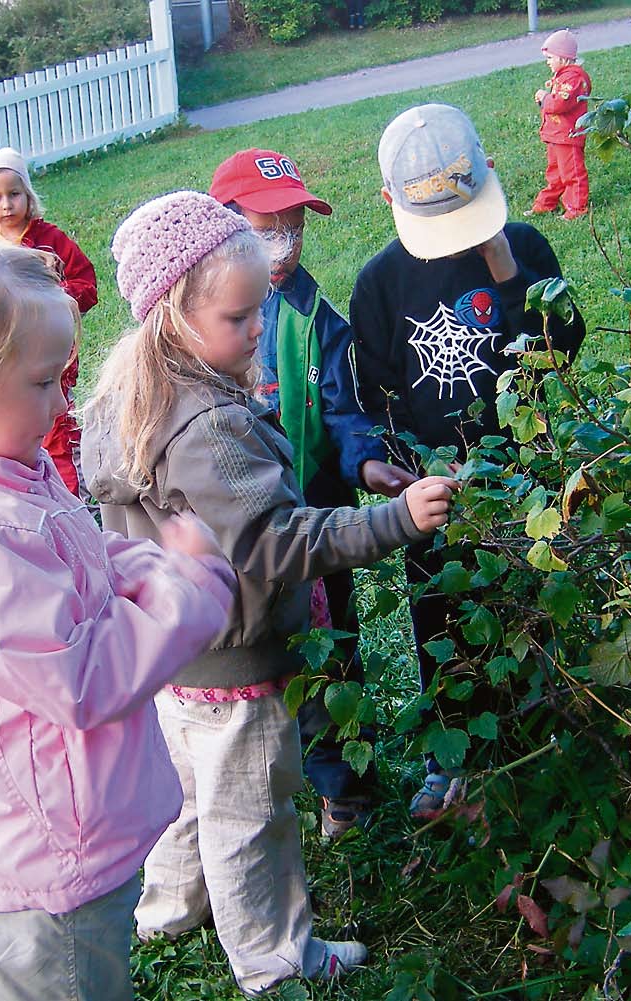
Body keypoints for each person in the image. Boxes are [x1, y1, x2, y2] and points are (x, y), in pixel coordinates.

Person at [81, 190, 458, 995]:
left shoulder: (128, 398)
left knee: (187, 792)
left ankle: (168, 907)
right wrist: (395, 519)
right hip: (236, 664)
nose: (259, 329)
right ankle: (273, 954)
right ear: (173, 314)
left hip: (174, 654)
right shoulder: (208, 427)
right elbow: (280, 541)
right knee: (252, 812)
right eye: (240, 317)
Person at [0, 232, 235, 1001]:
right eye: (44, 382)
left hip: (69, 823)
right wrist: (191, 591)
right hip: (49, 861)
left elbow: (78, 558)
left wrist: (149, 564)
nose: (62, 402)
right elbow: (86, 675)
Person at [343, 104, 586, 814]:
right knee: (439, 615)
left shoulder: (527, 247)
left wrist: (508, 273)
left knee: (530, 603)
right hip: (434, 496)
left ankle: (539, 730)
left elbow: (560, 350)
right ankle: (452, 752)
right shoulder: (379, 283)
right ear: (389, 201)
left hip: (526, 481)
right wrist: (405, 468)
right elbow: (377, 393)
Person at [208, 148, 378, 838]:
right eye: (265, 228)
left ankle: (344, 788)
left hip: (314, 523)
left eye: (293, 228)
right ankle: (253, 790)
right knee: (250, 661)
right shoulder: (200, 319)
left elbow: (345, 412)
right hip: (237, 534)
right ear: (222, 229)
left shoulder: (318, 321)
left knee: (331, 649)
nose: (283, 244)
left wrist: (367, 464)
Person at [0, 146, 98, 497]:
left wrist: (56, 292)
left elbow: (87, 284)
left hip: (50, 354)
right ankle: (27, 486)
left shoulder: (50, 241)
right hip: (4, 356)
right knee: (15, 422)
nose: (6, 205)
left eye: (14, 194)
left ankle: (73, 494)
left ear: (28, 195)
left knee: (57, 423)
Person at [526, 29, 591, 221]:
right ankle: (546, 204)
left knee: (572, 173)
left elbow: (560, 104)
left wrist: (545, 97)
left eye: (550, 57)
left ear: (563, 58)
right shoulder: (563, 76)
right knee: (554, 173)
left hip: (567, 136)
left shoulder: (574, 78)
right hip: (556, 134)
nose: (547, 62)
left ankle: (576, 208)